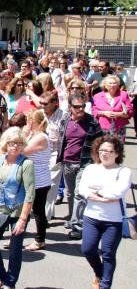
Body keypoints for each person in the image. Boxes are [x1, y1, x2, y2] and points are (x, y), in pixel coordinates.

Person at [79, 136, 131, 289]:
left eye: (109, 151)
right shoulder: (91, 168)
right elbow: (82, 189)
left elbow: (118, 192)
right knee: (88, 249)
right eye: (102, 150)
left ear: (117, 153)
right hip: (92, 217)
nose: (104, 154)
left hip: (113, 221)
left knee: (108, 254)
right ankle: (99, 273)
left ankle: (105, 285)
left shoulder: (124, 171)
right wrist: (101, 194)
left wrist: (97, 190)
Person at [0, 127, 35, 289]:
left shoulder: (26, 164)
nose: (15, 146)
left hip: (18, 212)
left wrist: (23, 219)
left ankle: (10, 281)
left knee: (15, 249)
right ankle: (0, 275)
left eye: (19, 143)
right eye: (12, 143)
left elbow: (30, 193)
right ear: (6, 144)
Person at [57, 94, 103, 239]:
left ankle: (77, 226)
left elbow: (100, 141)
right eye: (77, 106)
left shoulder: (92, 122)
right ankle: (72, 218)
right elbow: (61, 139)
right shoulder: (65, 119)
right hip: (67, 162)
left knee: (79, 193)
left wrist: (97, 162)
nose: (80, 109)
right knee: (70, 193)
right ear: (70, 107)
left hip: (85, 163)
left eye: (83, 106)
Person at [21, 110, 52, 251]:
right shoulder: (34, 135)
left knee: (37, 210)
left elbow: (23, 151)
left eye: (29, 120)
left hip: (39, 179)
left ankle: (40, 240)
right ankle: (18, 236)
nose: (28, 122)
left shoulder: (41, 137)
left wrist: (24, 134)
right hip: (31, 178)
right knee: (25, 209)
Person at [39, 91, 65, 218]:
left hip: (55, 152)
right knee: (41, 184)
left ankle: (45, 216)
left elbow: (65, 137)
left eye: (45, 103)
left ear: (55, 103)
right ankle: (49, 211)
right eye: (41, 103)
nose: (42, 106)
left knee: (51, 185)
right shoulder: (39, 114)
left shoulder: (63, 116)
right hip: (39, 153)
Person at [92, 75, 133, 142]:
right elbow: (94, 110)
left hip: (119, 127)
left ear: (118, 85)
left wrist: (119, 114)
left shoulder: (123, 95)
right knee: (104, 148)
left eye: (115, 83)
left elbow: (130, 111)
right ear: (105, 85)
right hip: (102, 127)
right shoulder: (97, 96)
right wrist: (104, 113)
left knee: (118, 149)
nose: (112, 85)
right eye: (110, 83)